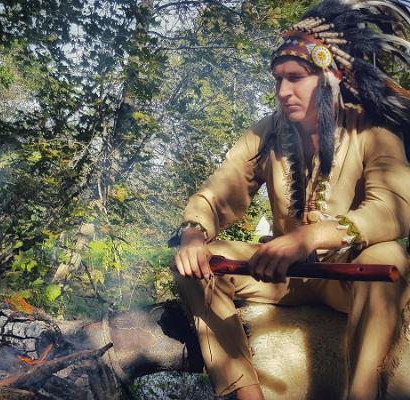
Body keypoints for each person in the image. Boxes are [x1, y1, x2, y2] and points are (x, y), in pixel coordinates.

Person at [173, 1, 410, 399]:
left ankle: (363, 392)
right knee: (195, 265)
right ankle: (244, 390)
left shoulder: (372, 130)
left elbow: (393, 206)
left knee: (387, 257)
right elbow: (222, 187)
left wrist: (310, 237)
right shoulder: (267, 133)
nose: (283, 92)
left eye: (296, 78)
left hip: (351, 279)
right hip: (286, 278)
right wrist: (194, 232)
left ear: (330, 77)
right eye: (277, 80)